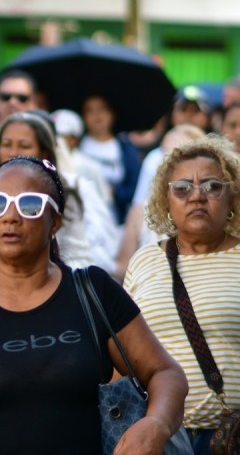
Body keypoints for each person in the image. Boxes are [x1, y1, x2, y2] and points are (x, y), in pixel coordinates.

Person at [0, 155, 189, 454]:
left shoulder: (93, 291)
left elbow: (165, 372)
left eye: (30, 205)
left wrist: (156, 424)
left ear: (55, 223)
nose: (10, 216)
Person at [124, 135, 240, 454]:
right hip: (160, 438)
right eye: (182, 188)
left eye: (212, 186)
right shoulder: (144, 260)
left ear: (231, 197)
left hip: (230, 438)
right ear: (166, 200)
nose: (197, 196)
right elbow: (124, 350)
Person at [0, 112, 118, 286]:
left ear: (44, 152)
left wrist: (61, 290)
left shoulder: (69, 189)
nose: (13, 152)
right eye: (6, 144)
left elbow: (83, 255)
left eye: (24, 146)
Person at [114, 124, 206, 279]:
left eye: (177, 154)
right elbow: (124, 269)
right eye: (164, 153)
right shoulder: (140, 212)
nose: (167, 162)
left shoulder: (212, 212)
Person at [132, 86, 214, 209]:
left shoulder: (217, 158)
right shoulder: (155, 156)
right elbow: (140, 204)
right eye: (183, 109)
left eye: (195, 110)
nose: (188, 115)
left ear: (207, 118)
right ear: (172, 114)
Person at [78, 95, 142, 224]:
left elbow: (136, 186)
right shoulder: (77, 147)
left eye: (102, 109)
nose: (97, 115)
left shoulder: (126, 148)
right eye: (90, 110)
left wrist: (116, 192)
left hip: (118, 220)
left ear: (112, 114)